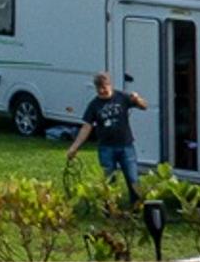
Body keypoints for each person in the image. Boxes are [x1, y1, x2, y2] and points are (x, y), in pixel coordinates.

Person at [62, 70, 149, 202]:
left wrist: (137, 99)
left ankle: (137, 207)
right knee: (109, 181)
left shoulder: (122, 97)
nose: (102, 90)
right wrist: (74, 147)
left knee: (133, 179)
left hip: (126, 146)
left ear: (110, 85)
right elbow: (86, 127)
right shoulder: (94, 105)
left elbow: (144, 106)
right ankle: (110, 209)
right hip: (106, 148)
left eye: (104, 87)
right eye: (99, 88)